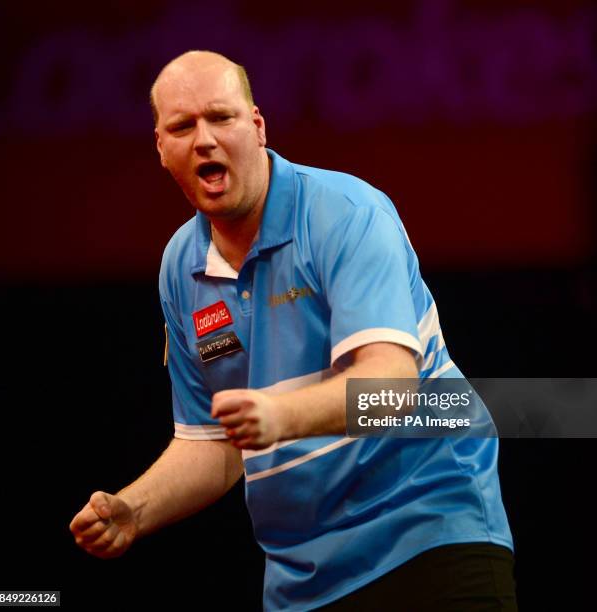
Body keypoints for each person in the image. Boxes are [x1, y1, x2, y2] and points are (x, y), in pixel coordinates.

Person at [69, 50, 517, 611]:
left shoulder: (346, 213)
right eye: (182, 126)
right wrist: (135, 509)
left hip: (429, 535)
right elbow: (212, 445)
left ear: (257, 127)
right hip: (303, 580)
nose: (203, 139)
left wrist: (280, 416)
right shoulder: (180, 266)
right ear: (161, 148)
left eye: (221, 117)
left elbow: (393, 386)